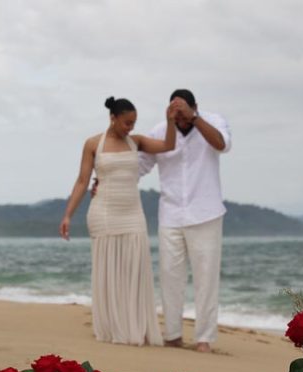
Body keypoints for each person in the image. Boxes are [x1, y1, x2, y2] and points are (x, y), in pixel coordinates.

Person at [59, 96, 179, 346]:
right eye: (126, 123)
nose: (130, 128)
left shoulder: (137, 141)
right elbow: (82, 181)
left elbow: (168, 145)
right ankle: (113, 327)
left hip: (133, 213)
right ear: (112, 118)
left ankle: (136, 327)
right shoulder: (93, 143)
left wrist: (170, 121)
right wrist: (68, 214)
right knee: (108, 271)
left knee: (135, 269)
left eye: (133, 123)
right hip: (103, 212)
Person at [138, 89, 232, 353]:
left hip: (206, 212)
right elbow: (140, 165)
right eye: (175, 114)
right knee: (170, 277)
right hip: (170, 213)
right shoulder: (159, 130)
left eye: (183, 114)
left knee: (206, 278)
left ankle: (204, 339)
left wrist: (195, 118)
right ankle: (173, 335)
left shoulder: (213, 120)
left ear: (195, 107)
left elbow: (222, 144)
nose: (179, 120)